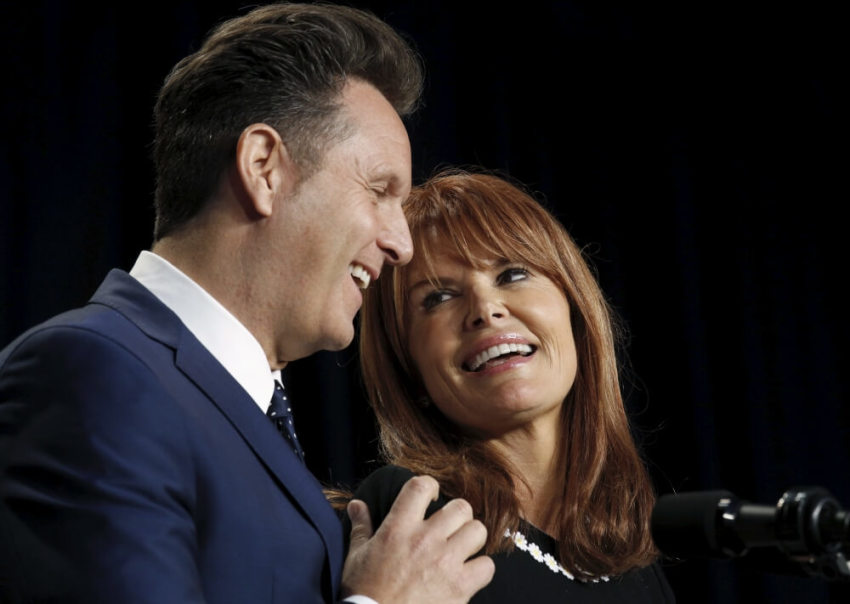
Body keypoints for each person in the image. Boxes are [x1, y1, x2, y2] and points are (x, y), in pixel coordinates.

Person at [0, 4, 493, 603]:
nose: (401, 244)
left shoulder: (236, 409)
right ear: (264, 168)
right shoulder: (92, 373)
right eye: (379, 190)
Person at [349, 169, 676, 602]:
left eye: (512, 274)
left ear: (576, 314)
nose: (485, 309)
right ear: (409, 368)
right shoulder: (414, 513)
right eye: (438, 298)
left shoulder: (636, 566)